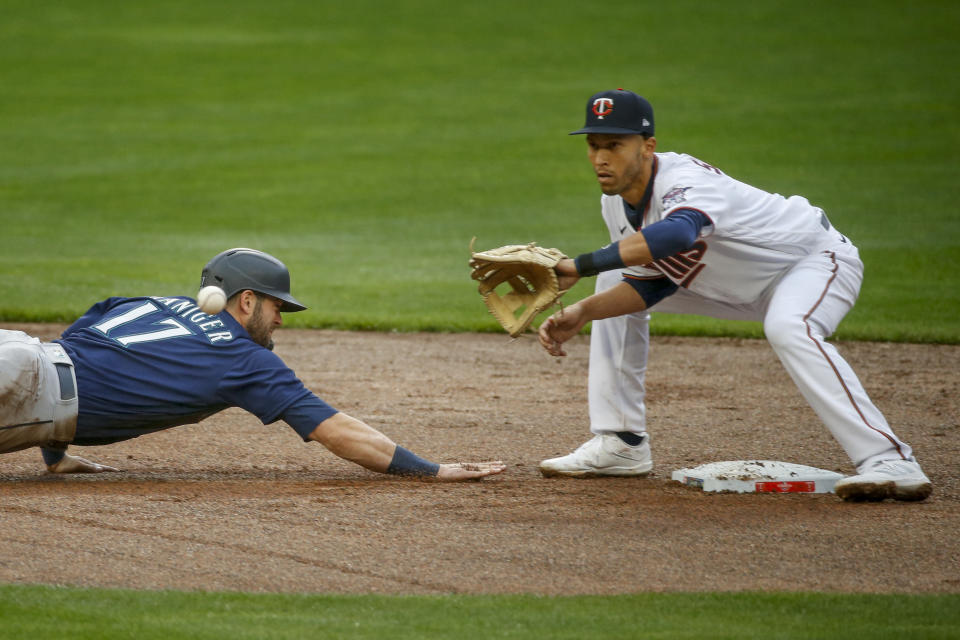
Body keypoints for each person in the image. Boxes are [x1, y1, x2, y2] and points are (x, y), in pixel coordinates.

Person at [535, 89, 931, 502]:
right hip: (731, 285)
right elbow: (652, 282)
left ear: (648, 147)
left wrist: (577, 266)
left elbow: (677, 233)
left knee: (788, 325)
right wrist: (583, 312)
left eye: (614, 145)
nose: (601, 157)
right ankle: (621, 443)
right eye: (594, 145)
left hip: (811, 262)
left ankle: (889, 459)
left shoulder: (686, 180)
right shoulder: (615, 204)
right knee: (614, 276)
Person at [0, 248, 504, 482]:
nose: (280, 320)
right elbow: (333, 428)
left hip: (22, 355)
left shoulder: (155, 302)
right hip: (25, 394)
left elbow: (79, 348)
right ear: (245, 302)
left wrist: (55, 452)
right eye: (277, 306)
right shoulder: (242, 360)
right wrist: (429, 469)